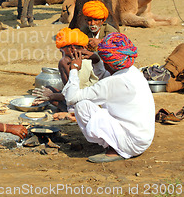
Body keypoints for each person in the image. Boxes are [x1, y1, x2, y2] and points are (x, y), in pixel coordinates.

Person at [62, 32, 155, 163]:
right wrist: (97, 60)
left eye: (104, 60)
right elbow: (108, 77)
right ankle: (115, 143)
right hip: (142, 139)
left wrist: (74, 69)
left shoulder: (113, 82)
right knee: (91, 107)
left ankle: (115, 150)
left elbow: (71, 98)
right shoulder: (132, 71)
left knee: (81, 106)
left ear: (109, 63)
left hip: (131, 143)